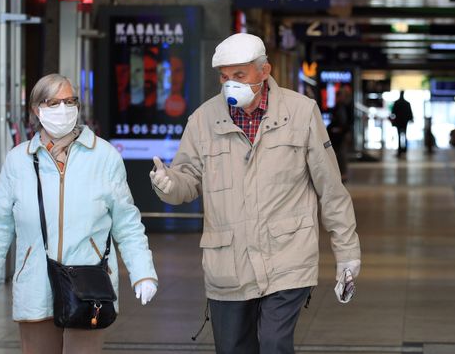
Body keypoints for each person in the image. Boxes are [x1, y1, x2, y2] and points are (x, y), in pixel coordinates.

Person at [149, 33, 361, 354]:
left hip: (287, 257)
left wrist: (347, 254)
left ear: (264, 71)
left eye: (239, 75)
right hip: (228, 263)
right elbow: (186, 181)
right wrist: (168, 184)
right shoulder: (203, 120)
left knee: (275, 343)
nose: (230, 84)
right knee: (233, 347)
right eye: (224, 77)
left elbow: (330, 189)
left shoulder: (301, 113)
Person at [0, 73, 158, 354]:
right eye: (53, 102)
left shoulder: (104, 157)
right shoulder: (18, 161)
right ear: (37, 109)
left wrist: (143, 272)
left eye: (70, 102)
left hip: (89, 286)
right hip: (35, 285)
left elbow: (127, 223)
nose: (63, 109)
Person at [327, 87, 353, 183]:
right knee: (340, 153)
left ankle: (342, 173)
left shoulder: (342, 106)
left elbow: (342, 121)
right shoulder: (343, 106)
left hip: (340, 134)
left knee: (341, 154)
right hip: (340, 133)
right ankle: (341, 173)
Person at [390, 91, 413, 157]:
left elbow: (393, 113)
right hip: (404, 121)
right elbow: (410, 113)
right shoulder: (406, 103)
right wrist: (410, 119)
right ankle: (404, 150)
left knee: (399, 136)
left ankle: (400, 151)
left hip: (398, 121)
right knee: (405, 135)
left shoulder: (397, 103)